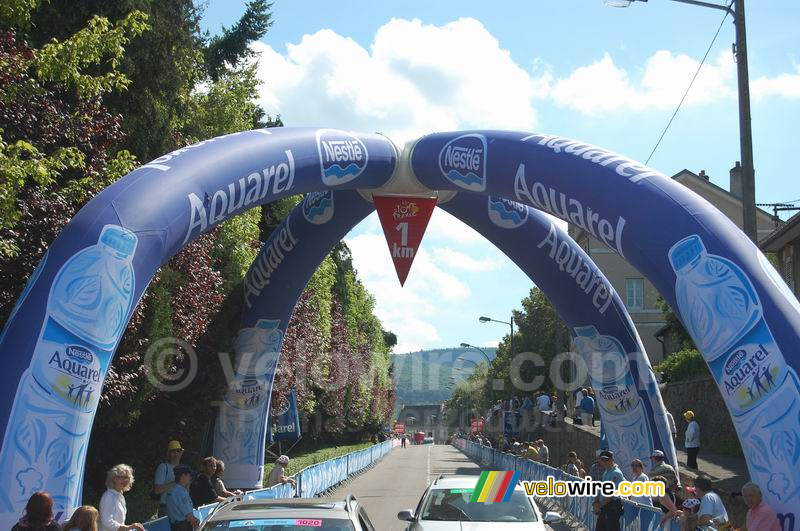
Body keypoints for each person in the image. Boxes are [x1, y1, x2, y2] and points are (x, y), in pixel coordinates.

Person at [99, 464, 145, 531]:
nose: (124, 480)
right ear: (113, 478)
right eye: (120, 477)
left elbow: (120, 522)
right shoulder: (108, 496)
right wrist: (128, 527)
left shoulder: (120, 496)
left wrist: (130, 528)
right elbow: (107, 521)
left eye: (126, 477)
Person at [592, 450, 624, 531]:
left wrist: (599, 506)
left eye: (606, 459)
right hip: (605, 506)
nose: (604, 462)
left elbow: (610, 495)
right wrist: (596, 501)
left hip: (612, 507)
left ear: (612, 460)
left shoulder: (616, 473)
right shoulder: (606, 471)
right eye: (602, 459)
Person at [154, 440, 184, 518]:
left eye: (178, 450)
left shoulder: (184, 469)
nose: (176, 453)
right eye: (173, 451)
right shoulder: (163, 467)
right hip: (167, 508)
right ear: (168, 454)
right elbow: (157, 490)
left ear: (181, 453)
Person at [166, 465, 199, 531]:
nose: (190, 477)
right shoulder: (181, 493)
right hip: (183, 527)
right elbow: (190, 517)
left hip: (174, 526)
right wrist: (198, 522)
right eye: (189, 475)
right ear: (183, 475)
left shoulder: (172, 491)